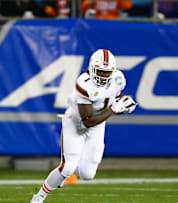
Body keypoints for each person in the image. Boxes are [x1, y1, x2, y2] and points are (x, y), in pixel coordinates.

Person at [30, 49, 136, 203]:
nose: (104, 76)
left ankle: (64, 175)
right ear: (92, 68)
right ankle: (39, 197)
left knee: (87, 174)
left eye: (107, 72)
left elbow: (116, 96)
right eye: (100, 71)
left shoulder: (119, 79)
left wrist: (124, 104)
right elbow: (87, 121)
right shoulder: (84, 84)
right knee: (67, 167)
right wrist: (113, 110)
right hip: (76, 122)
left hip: (98, 125)